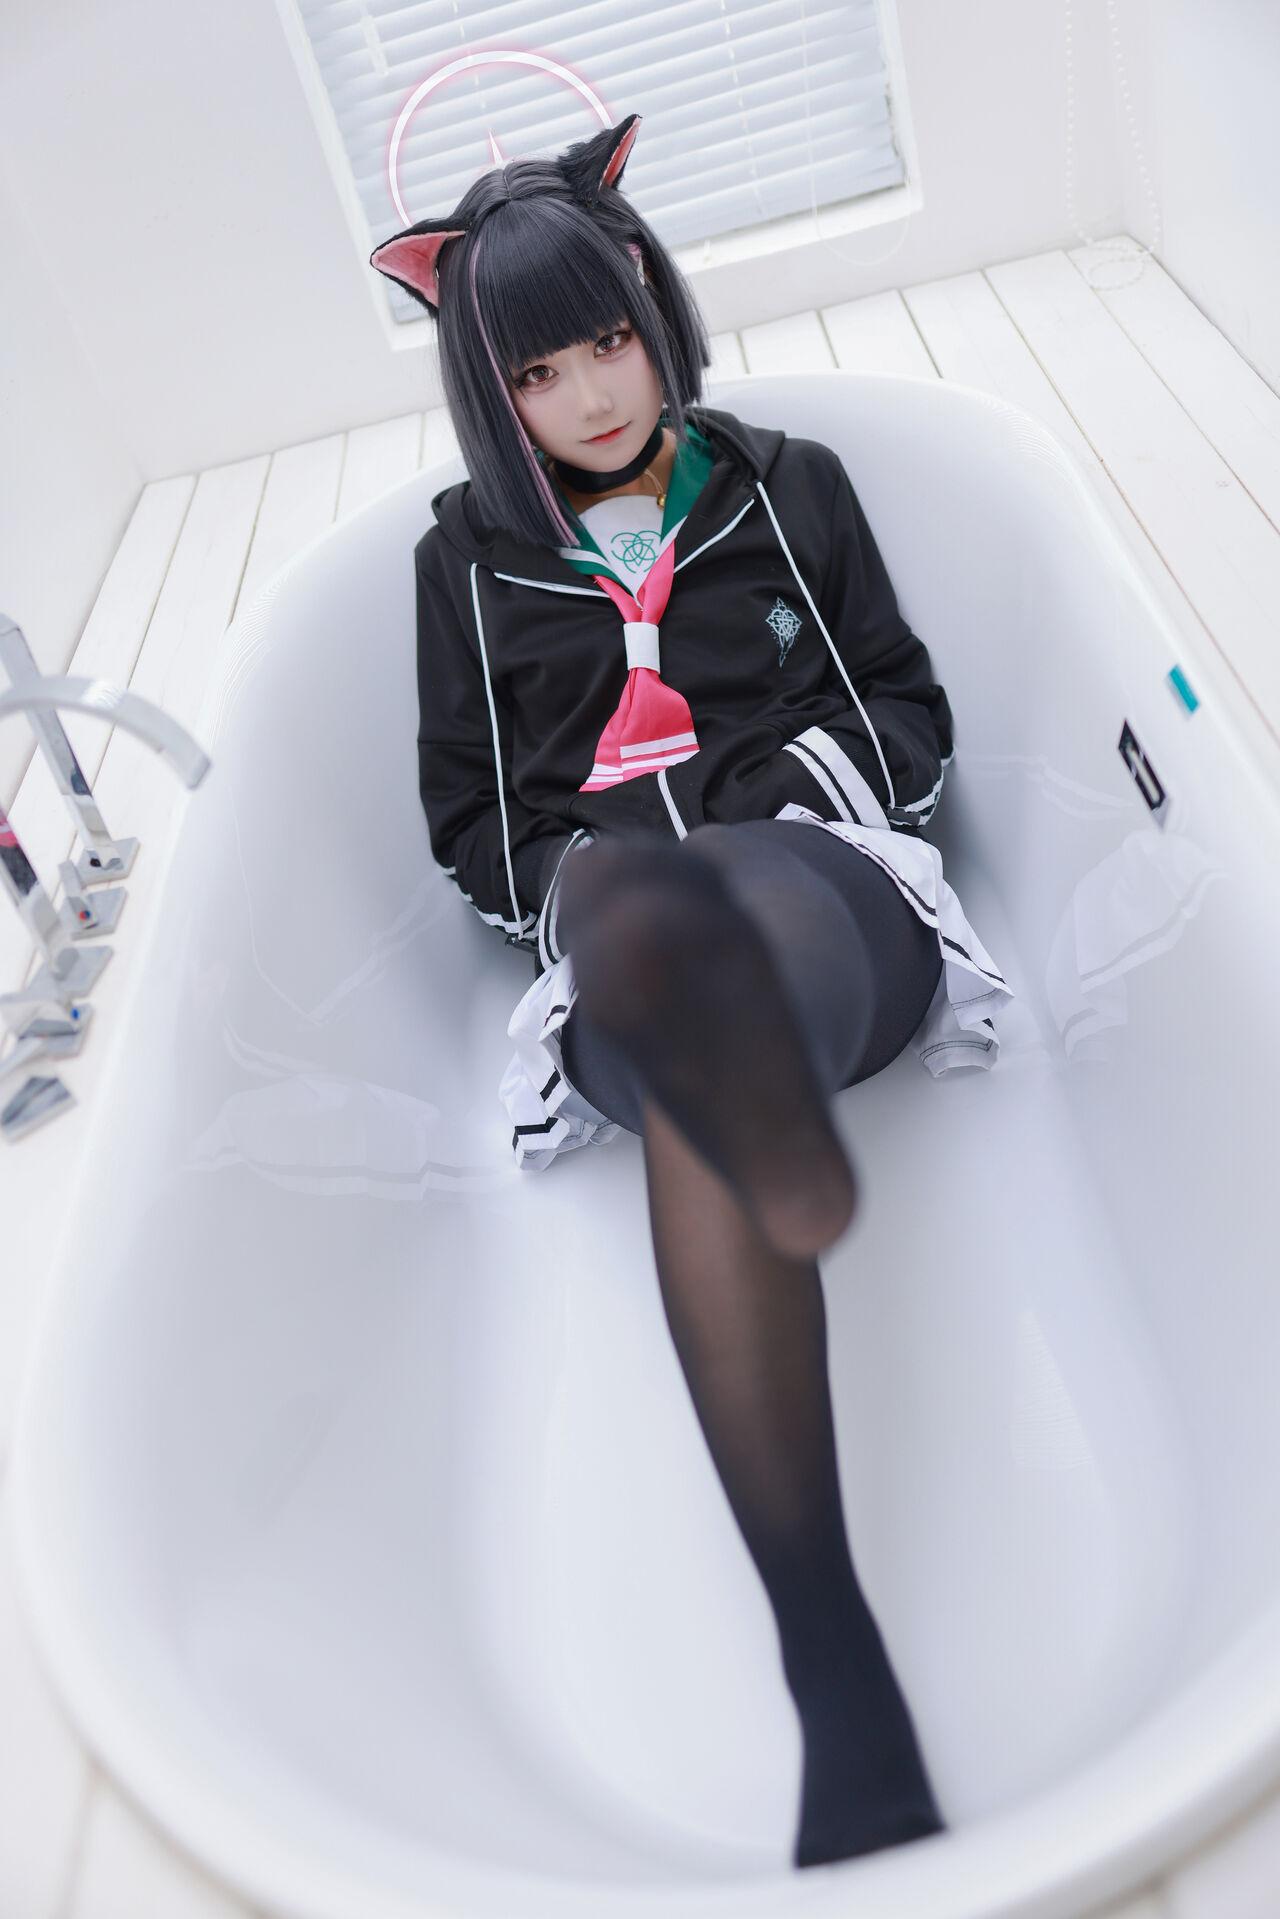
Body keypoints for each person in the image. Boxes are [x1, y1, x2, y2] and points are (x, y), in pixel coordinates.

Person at [371, 111, 1014, 1870]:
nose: (590, 396)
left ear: (659, 312)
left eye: (609, 340)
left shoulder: (786, 485)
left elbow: (907, 714)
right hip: (633, 977)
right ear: (486, 393)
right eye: (538, 372)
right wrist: (584, 874)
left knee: (720, 899)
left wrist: (777, 796)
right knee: (628, 904)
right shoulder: (462, 569)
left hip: (826, 922)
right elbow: (471, 821)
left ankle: (833, 1677)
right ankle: (838, 1660)